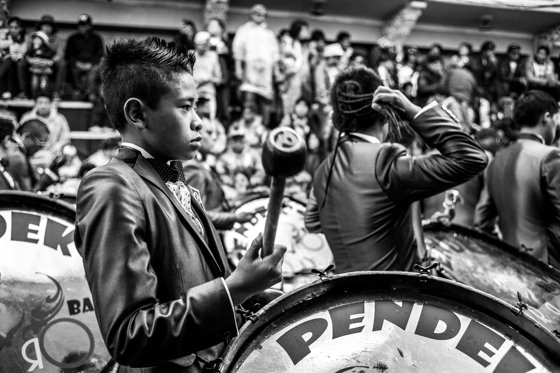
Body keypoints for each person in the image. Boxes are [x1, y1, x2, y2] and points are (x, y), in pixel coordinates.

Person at [74, 37, 286, 372]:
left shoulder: (172, 177)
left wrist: (264, 296)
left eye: (197, 106)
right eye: (185, 107)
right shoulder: (112, 187)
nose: (199, 121)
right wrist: (236, 288)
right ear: (137, 114)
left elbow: (194, 288)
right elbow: (130, 335)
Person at [305, 67, 488, 273]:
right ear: (385, 114)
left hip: (347, 295)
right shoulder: (385, 160)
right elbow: (472, 157)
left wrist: (417, 225)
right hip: (397, 297)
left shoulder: (323, 169)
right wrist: (412, 110)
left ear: (338, 120)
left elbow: (314, 222)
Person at [475, 90, 560, 267]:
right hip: (548, 269)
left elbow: (481, 223)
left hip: (511, 269)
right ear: (547, 117)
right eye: (557, 119)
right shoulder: (550, 156)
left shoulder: (497, 160)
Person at [232, 4, 279, 127]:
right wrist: (238, 67)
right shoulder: (243, 30)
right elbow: (238, 50)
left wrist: (277, 71)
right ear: (251, 15)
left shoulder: (269, 33)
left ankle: (263, 132)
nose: (260, 16)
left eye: (263, 14)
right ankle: (247, 132)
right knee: (248, 102)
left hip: (266, 74)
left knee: (266, 103)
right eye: (257, 13)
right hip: (250, 73)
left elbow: (275, 54)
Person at [19, 90, 71, 165]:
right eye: (40, 103)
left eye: (46, 103)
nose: (43, 106)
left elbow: (66, 138)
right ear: (35, 104)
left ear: (51, 104)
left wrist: (55, 149)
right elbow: (18, 137)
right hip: (30, 156)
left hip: (53, 155)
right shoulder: (26, 118)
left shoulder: (60, 119)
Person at [65, 14, 104, 100]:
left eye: (85, 25)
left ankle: (89, 93)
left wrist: (91, 64)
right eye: (81, 25)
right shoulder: (72, 38)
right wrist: (77, 63)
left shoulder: (96, 38)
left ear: (90, 26)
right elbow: (68, 54)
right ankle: (79, 91)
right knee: (72, 69)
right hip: (76, 65)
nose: (83, 28)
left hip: (92, 65)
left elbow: (100, 54)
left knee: (94, 71)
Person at [0, 16, 28, 98]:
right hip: (7, 61)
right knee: (8, 68)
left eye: (16, 27)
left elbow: (22, 52)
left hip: (19, 60)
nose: (13, 30)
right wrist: (11, 42)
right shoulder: (6, 35)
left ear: (21, 28)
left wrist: (9, 54)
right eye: (11, 27)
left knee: (7, 64)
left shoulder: (25, 37)